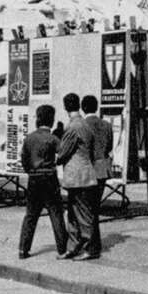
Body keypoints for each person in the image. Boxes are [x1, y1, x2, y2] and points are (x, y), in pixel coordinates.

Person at [18, 105, 68, 260]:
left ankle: (23, 249)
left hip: (34, 179)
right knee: (56, 213)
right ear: (52, 120)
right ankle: (62, 248)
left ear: (38, 119)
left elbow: (24, 159)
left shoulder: (30, 138)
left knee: (31, 215)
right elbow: (63, 153)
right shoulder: (52, 138)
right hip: (49, 179)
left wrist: (31, 171)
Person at [57, 93, 101, 260]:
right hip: (86, 173)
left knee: (80, 214)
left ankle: (90, 248)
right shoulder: (84, 124)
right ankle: (74, 246)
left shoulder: (73, 126)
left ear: (65, 106)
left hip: (78, 177)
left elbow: (62, 153)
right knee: (75, 213)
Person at [81, 95, 113, 207]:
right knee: (96, 204)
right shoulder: (107, 125)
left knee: (85, 206)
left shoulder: (81, 125)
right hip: (102, 169)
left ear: (82, 107)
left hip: (86, 168)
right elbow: (109, 147)